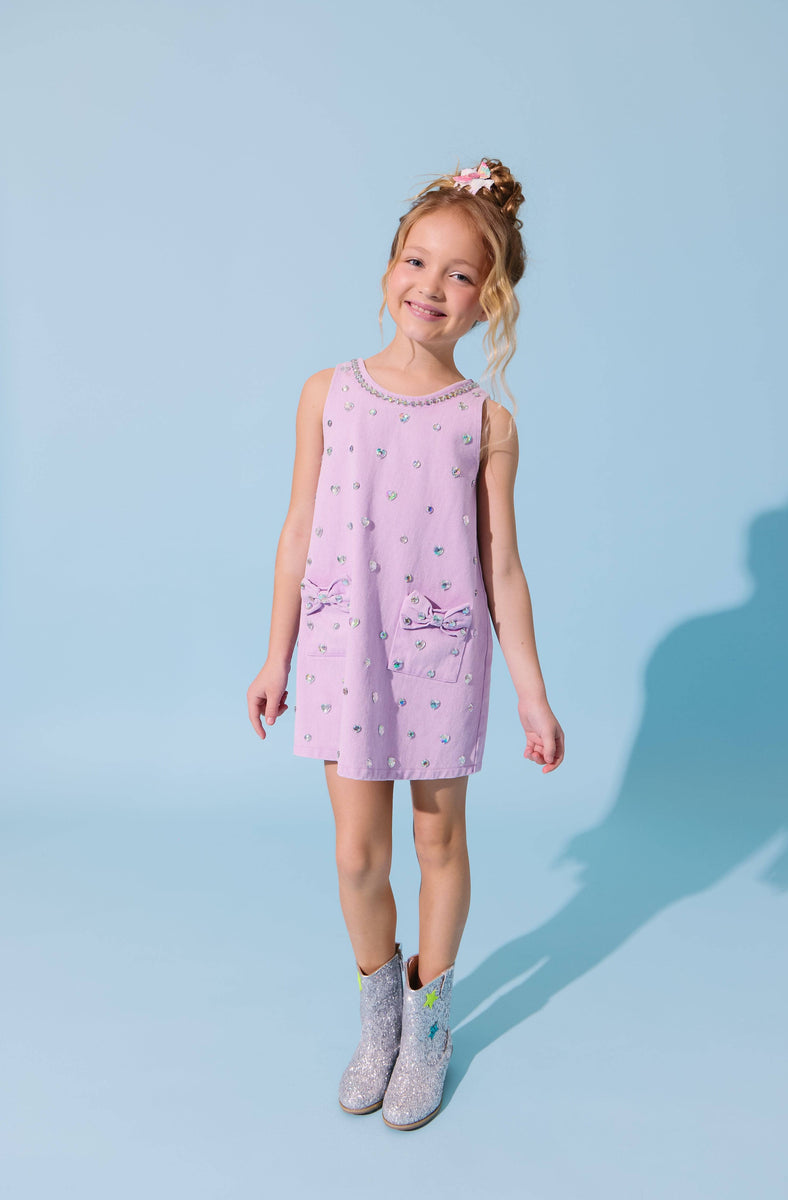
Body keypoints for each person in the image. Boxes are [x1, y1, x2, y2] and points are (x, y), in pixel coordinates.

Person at [247, 157, 565, 1130]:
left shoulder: (487, 423)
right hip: (341, 650)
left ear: (487, 299)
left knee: (436, 839)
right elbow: (296, 532)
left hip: (440, 654)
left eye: (460, 274)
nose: (431, 286)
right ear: (389, 266)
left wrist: (532, 694)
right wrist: (275, 655)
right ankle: (377, 1020)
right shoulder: (326, 392)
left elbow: (502, 567)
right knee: (357, 854)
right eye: (416, 261)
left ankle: (429, 1028)